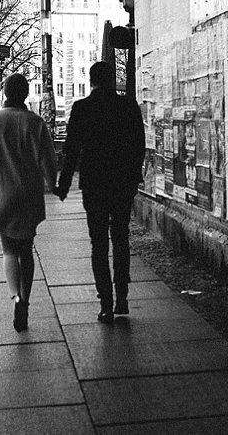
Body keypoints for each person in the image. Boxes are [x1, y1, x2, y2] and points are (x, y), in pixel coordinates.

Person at [53, 62, 145, 324]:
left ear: (91, 80)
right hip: (121, 183)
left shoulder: (82, 108)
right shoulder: (128, 106)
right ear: (112, 80)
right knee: (121, 237)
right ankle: (122, 298)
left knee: (98, 243)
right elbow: (139, 144)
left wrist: (64, 184)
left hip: (94, 184)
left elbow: (71, 150)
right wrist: (134, 175)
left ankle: (105, 303)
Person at [0, 74, 57, 332]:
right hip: (30, 194)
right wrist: (53, 185)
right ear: (25, 94)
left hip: (5, 193)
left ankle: (15, 296)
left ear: (5, 92)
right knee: (26, 250)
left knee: (9, 250)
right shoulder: (36, 122)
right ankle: (27, 300)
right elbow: (48, 160)